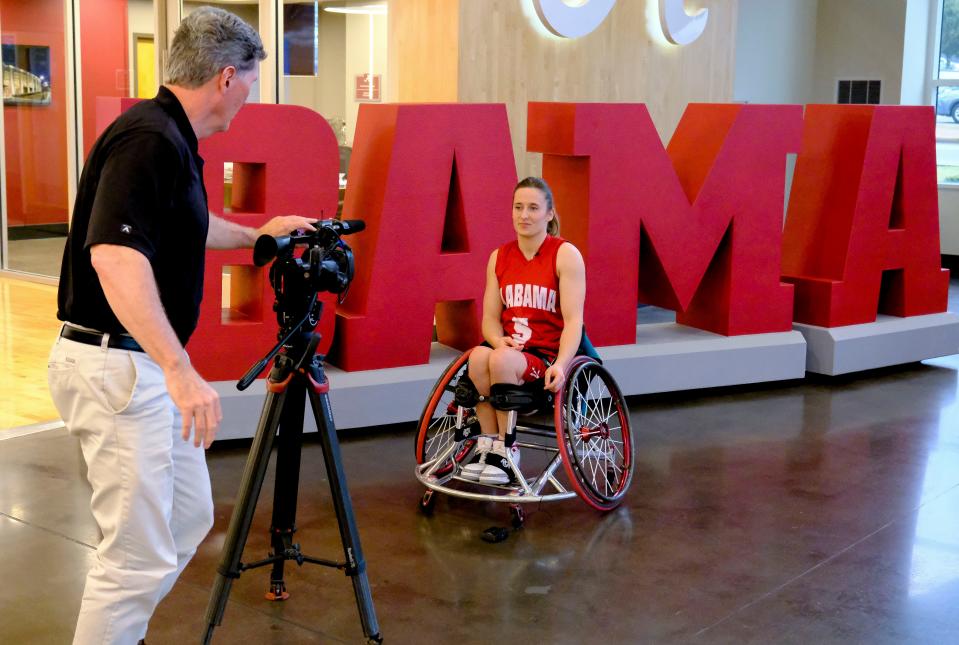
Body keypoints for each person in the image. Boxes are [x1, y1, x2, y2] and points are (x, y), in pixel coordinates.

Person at [47, 8, 316, 644]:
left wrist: (259, 236)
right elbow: (114, 255)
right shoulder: (148, 139)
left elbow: (185, 227)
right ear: (227, 77)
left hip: (141, 367)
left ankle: (121, 628)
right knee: (135, 555)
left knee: (188, 517)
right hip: (121, 367)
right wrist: (178, 366)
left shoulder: (169, 137)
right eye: (251, 81)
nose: (250, 96)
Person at [462, 176, 586, 485]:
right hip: (508, 351)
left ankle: (508, 449)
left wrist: (561, 364)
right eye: (518, 207)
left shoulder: (565, 254)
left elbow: (574, 321)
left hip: (543, 357)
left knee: (500, 359)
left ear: (549, 214)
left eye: (533, 208)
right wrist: (495, 340)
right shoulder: (499, 257)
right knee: (478, 355)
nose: (524, 215)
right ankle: (488, 445)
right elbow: (489, 319)